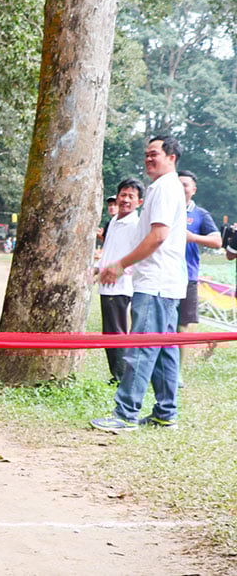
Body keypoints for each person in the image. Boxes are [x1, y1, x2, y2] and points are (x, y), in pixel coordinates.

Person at [92, 136, 188, 432]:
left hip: (156, 282)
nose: (148, 159)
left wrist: (121, 265)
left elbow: (158, 236)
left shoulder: (163, 188)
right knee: (163, 349)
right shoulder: (166, 188)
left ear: (171, 156)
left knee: (142, 347)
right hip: (166, 282)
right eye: (146, 154)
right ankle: (165, 412)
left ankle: (125, 413)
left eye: (154, 154)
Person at [95, 178, 144, 384]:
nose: (125, 200)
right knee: (109, 331)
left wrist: (120, 270)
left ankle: (121, 376)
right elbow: (109, 250)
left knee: (116, 331)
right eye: (122, 195)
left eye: (130, 196)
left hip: (121, 285)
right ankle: (117, 373)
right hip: (105, 283)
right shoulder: (114, 221)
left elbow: (139, 254)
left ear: (139, 202)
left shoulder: (137, 224)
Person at [176, 170, 221, 349]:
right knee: (160, 326)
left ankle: (175, 374)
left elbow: (217, 241)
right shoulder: (166, 210)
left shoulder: (200, 214)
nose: (181, 188)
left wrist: (193, 237)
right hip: (164, 276)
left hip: (187, 277)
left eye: (185, 185)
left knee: (181, 327)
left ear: (193, 189)